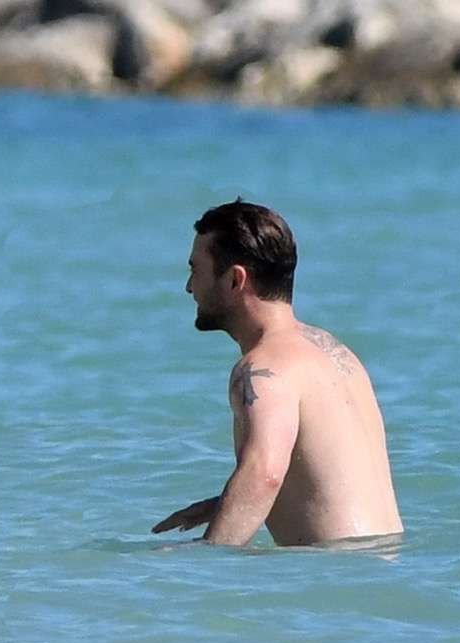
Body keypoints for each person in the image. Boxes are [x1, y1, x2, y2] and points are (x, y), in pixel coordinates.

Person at [152, 200, 403, 547]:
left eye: (196, 270)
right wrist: (224, 505)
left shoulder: (261, 369)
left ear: (235, 280)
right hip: (385, 566)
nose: (188, 287)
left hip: (335, 571)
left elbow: (264, 475)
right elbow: (329, 477)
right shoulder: (334, 352)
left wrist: (204, 562)